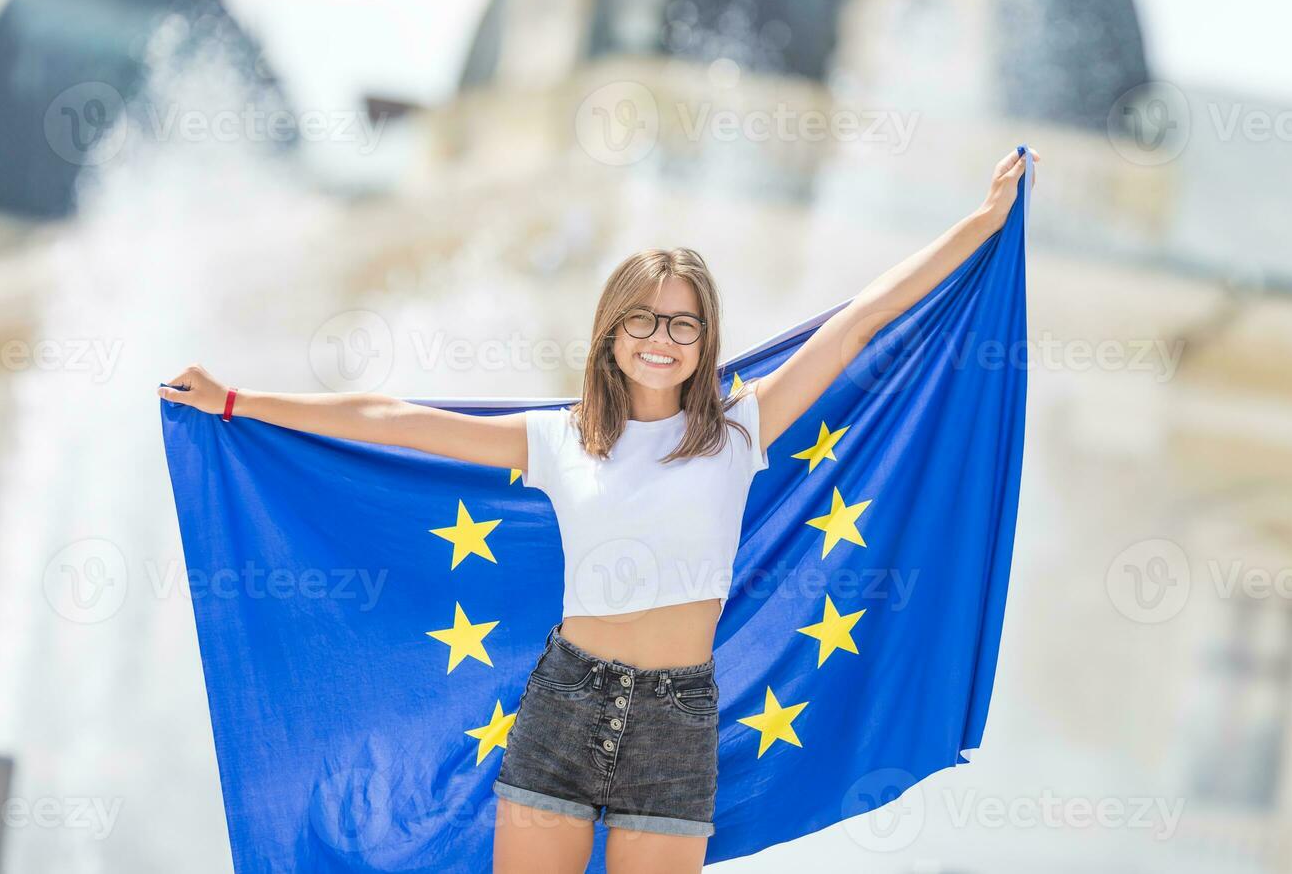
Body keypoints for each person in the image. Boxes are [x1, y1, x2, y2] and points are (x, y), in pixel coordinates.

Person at [158, 147, 1038, 874]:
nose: (662, 340)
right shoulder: (560, 439)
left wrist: (984, 223)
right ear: (613, 335)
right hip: (565, 707)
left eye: (683, 326)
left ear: (705, 346)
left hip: (680, 719)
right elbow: (395, 420)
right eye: (644, 322)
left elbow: (858, 322)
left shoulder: (742, 426)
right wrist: (237, 403)